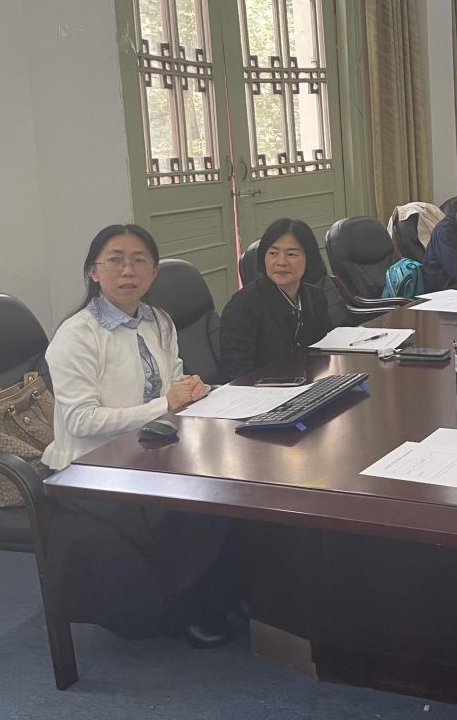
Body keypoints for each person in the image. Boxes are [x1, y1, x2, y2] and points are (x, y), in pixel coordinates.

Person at [43, 224, 238, 648]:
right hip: (89, 469)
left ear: (153, 272)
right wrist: (165, 404)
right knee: (187, 508)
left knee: (230, 485)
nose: (127, 271)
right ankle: (182, 610)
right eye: (115, 260)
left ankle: (224, 593)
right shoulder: (77, 335)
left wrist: (190, 390)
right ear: (94, 271)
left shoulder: (158, 320)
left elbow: (172, 380)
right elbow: (79, 421)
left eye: (139, 261)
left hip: (150, 450)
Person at [218, 218, 331, 381]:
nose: (281, 262)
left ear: (309, 258)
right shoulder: (243, 306)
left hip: (307, 386)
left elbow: (323, 354)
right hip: (259, 391)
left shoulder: (315, 297)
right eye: (273, 254)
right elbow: (237, 375)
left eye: (291, 254)